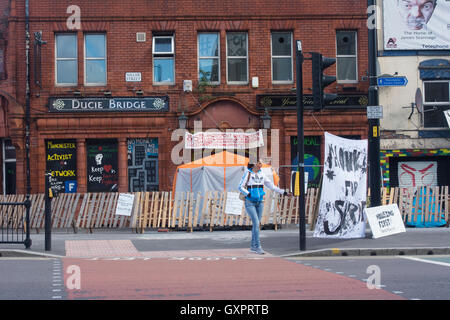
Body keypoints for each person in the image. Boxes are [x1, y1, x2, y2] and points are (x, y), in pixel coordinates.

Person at [238, 159, 291, 254]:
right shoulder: (248, 173)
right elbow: (240, 187)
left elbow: (272, 186)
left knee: (256, 225)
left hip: (260, 202)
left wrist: (284, 192)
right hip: (250, 202)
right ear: (254, 163)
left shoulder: (262, 174)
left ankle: (253, 246)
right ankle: (257, 246)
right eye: (259, 163)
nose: (260, 164)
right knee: (256, 223)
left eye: (261, 163)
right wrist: (248, 194)